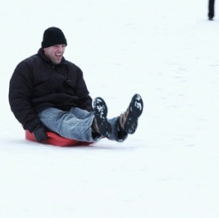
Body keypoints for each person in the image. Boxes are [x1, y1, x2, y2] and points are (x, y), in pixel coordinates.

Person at [8, 27, 144, 144]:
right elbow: (18, 99)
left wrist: (91, 112)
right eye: (56, 46)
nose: (60, 50)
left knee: (86, 116)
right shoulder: (27, 67)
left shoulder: (73, 70)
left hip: (71, 107)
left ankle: (121, 124)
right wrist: (34, 125)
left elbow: (83, 97)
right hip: (44, 111)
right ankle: (95, 126)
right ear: (45, 47)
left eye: (63, 46)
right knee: (65, 121)